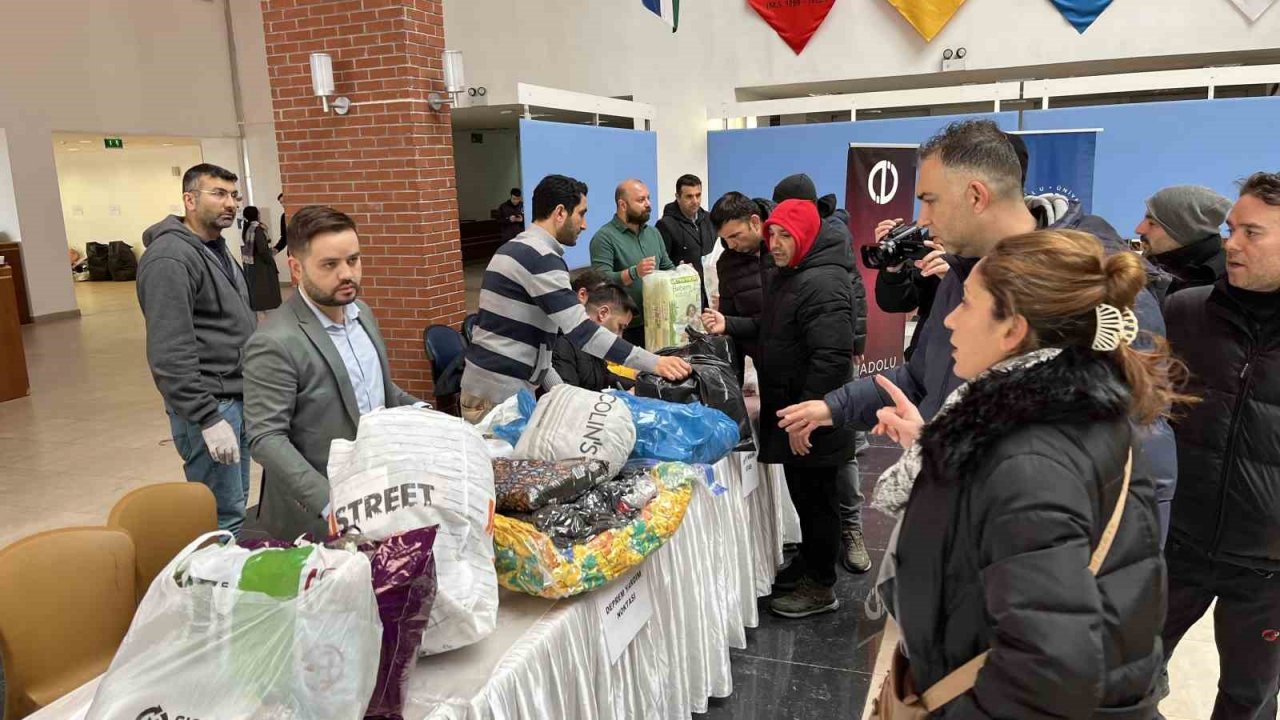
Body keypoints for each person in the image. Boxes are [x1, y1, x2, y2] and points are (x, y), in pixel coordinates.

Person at [776, 119, 1179, 543]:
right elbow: (923, 375)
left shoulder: (1090, 282)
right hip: (960, 518)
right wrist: (835, 407)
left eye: (929, 201)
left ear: (975, 196)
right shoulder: (965, 271)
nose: (922, 220)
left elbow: (1131, 446)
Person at [871, 229, 1175, 717]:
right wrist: (935, 445)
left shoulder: (1030, 457)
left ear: (1012, 329)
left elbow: (1050, 670)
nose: (949, 319)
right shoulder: (1062, 416)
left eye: (966, 303)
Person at [1159, 172, 1280, 719]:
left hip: (1268, 570)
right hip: (1175, 543)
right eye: (1232, 229)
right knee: (1121, 677)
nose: (1231, 244)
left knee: (1248, 701)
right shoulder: (1184, 312)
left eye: (1252, 232)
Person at [703, 198, 857, 617]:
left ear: (804, 236)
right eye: (774, 235)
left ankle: (821, 587)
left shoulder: (823, 282)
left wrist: (807, 418)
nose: (776, 244)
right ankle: (810, 564)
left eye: (786, 236)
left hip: (813, 417)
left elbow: (831, 360)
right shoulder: (790, 275)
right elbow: (769, 329)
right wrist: (728, 323)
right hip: (794, 410)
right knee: (805, 497)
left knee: (818, 500)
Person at [243, 206, 426, 540]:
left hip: (376, 494)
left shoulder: (361, 313)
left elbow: (376, 389)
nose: (347, 274)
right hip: (315, 518)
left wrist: (424, 414)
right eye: (330, 264)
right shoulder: (275, 341)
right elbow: (266, 438)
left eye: (353, 260)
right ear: (296, 268)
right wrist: (330, 501)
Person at [461, 174, 690, 423]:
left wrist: (565, 396)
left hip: (495, 389)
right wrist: (655, 363)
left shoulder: (517, 249)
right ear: (560, 212)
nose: (584, 225)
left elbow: (538, 349)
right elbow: (583, 332)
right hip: (496, 395)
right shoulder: (540, 258)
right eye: (581, 214)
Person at [136, 163, 257, 534]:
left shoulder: (216, 248)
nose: (231, 203)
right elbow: (169, 351)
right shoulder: (170, 258)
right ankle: (213, 571)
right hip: (210, 405)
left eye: (234, 195)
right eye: (218, 194)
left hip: (235, 396)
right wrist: (207, 417)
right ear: (189, 200)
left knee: (235, 504)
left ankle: (231, 566)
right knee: (220, 515)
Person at [589, 179, 675, 347]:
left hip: (658, 321)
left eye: (648, 198)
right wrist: (634, 272)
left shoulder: (654, 233)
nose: (648, 204)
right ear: (623, 205)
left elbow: (666, 267)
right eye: (641, 200)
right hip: (625, 327)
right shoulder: (604, 237)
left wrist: (682, 272)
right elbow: (600, 282)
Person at [869, 219, 944, 361]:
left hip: (971, 363)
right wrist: (893, 265)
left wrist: (955, 279)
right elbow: (899, 302)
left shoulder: (988, 245)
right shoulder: (936, 236)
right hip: (924, 357)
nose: (923, 218)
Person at [1136, 185, 1231, 296]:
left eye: (1152, 223)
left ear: (1184, 232)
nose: (1138, 229)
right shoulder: (1141, 256)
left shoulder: (1226, 287)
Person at [553, 280, 639, 392]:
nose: (620, 337)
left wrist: (639, 388)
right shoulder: (562, 344)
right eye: (620, 327)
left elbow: (606, 378)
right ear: (603, 313)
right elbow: (568, 397)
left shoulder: (592, 345)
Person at [657, 174, 717, 307]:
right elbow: (661, 266)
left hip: (711, 292)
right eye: (689, 196)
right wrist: (678, 270)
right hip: (683, 296)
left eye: (698, 195)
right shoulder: (665, 225)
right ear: (678, 197)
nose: (695, 201)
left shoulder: (710, 219)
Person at [241, 205, 282, 314]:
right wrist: (271, 262)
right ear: (256, 215)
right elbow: (263, 250)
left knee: (257, 292)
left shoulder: (247, 228)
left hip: (252, 264)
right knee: (267, 293)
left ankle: (261, 313)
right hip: (262, 266)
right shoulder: (257, 229)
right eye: (258, 213)